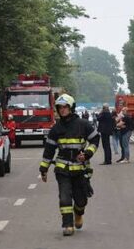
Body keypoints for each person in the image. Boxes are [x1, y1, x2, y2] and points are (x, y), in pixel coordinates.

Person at [39, 94, 100, 236]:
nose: (62, 110)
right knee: (64, 197)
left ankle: (78, 214)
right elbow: (49, 150)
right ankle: (67, 225)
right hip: (62, 168)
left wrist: (87, 154)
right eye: (60, 107)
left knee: (81, 200)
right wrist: (44, 168)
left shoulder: (83, 124)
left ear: (71, 108)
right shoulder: (56, 128)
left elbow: (95, 140)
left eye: (65, 107)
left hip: (80, 169)